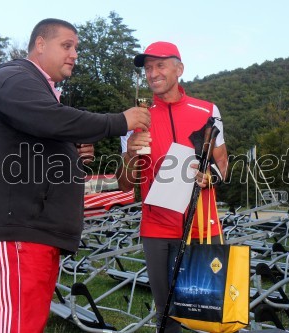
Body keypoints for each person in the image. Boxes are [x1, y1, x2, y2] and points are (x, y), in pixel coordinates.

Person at [0, 18, 150, 333]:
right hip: (15, 232)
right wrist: (119, 121)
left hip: (34, 233)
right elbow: (54, 121)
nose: (74, 54)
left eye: (76, 48)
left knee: (26, 324)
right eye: (67, 45)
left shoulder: (39, 89)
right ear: (40, 44)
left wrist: (70, 156)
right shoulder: (14, 77)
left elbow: (38, 141)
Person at [117, 41, 228, 333]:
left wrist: (210, 176)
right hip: (157, 228)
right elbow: (124, 182)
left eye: (160, 65)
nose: (152, 73)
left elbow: (223, 163)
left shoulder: (207, 110)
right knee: (167, 316)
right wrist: (129, 154)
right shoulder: (134, 119)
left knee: (209, 313)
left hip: (203, 226)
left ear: (179, 69)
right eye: (148, 68)